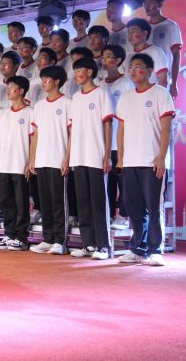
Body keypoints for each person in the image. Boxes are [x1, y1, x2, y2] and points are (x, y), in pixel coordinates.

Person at [116, 53, 175, 266]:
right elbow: (121, 130)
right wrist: (121, 158)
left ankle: (155, 249)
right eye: (131, 67)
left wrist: (161, 157)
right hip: (130, 162)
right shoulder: (126, 97)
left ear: (150, 71)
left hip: (152, 161)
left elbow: (166, 129)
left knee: (153, 207)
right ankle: (137, 249)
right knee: (134, 208)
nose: (133, 70)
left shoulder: (161, 94)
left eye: (138, 66)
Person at [68, 58, 113, 260]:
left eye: (79, 69)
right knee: (83, 201)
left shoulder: (101, 94)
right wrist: (68, 156)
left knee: (98, 202)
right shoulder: (76, 98)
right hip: (79, 155)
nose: (76, 74)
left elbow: (107, 126)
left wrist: (107, 155)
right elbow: (72, 130)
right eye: (75, 70)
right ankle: (88, 244)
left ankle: (103, 246)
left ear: (89, 72)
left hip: (96, 155)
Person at [28, 65, 70, 256]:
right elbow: (35, 135)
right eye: (42, 79)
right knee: (44, 202)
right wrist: (32, 159)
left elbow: (71, 133)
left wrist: (67, 158)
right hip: (42, 160)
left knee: (58, 202)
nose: (43, 83)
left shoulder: (67, 103)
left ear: (57, 81)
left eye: (47, 80)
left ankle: (60, 241)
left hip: (58, 159)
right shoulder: (39, 105)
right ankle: (48, 238)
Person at [0, 76, 34, 251]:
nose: (8, 91)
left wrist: (30, 161)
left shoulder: (30, 112)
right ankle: (9, 235)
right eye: (8, 87)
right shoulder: (3, 113)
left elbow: (33, 139)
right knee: (6, 201)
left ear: (22, 90)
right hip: (2, 163)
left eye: (12, 87)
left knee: (20, 202)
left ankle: (21, 237)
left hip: (20, 163)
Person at [101, 45, 133, 230]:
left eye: (109, 56)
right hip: (104, 142)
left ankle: (124, 215)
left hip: (120, 141)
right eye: (103, 57)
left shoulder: (126, 84)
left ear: (118, 60)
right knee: (108, 183)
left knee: (123, 181)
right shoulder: (100, 83)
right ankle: (109, 214)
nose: (105, 60)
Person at [143, 0, 183, 99]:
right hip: (144, 78)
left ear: (160, 3)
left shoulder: (171, 26)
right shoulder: (143, 28)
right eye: (144, 3)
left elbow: (176, 56)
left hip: (163, 78)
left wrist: (174, 83)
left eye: (150, 2)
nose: (146, 6)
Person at [127, 18, 169, 87]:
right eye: (128, 32)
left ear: (145, 33)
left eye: (133, 31)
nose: (130, 35)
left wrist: (160, 94)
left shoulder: (156, 52)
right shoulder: (128, 56)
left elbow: (163, 81)